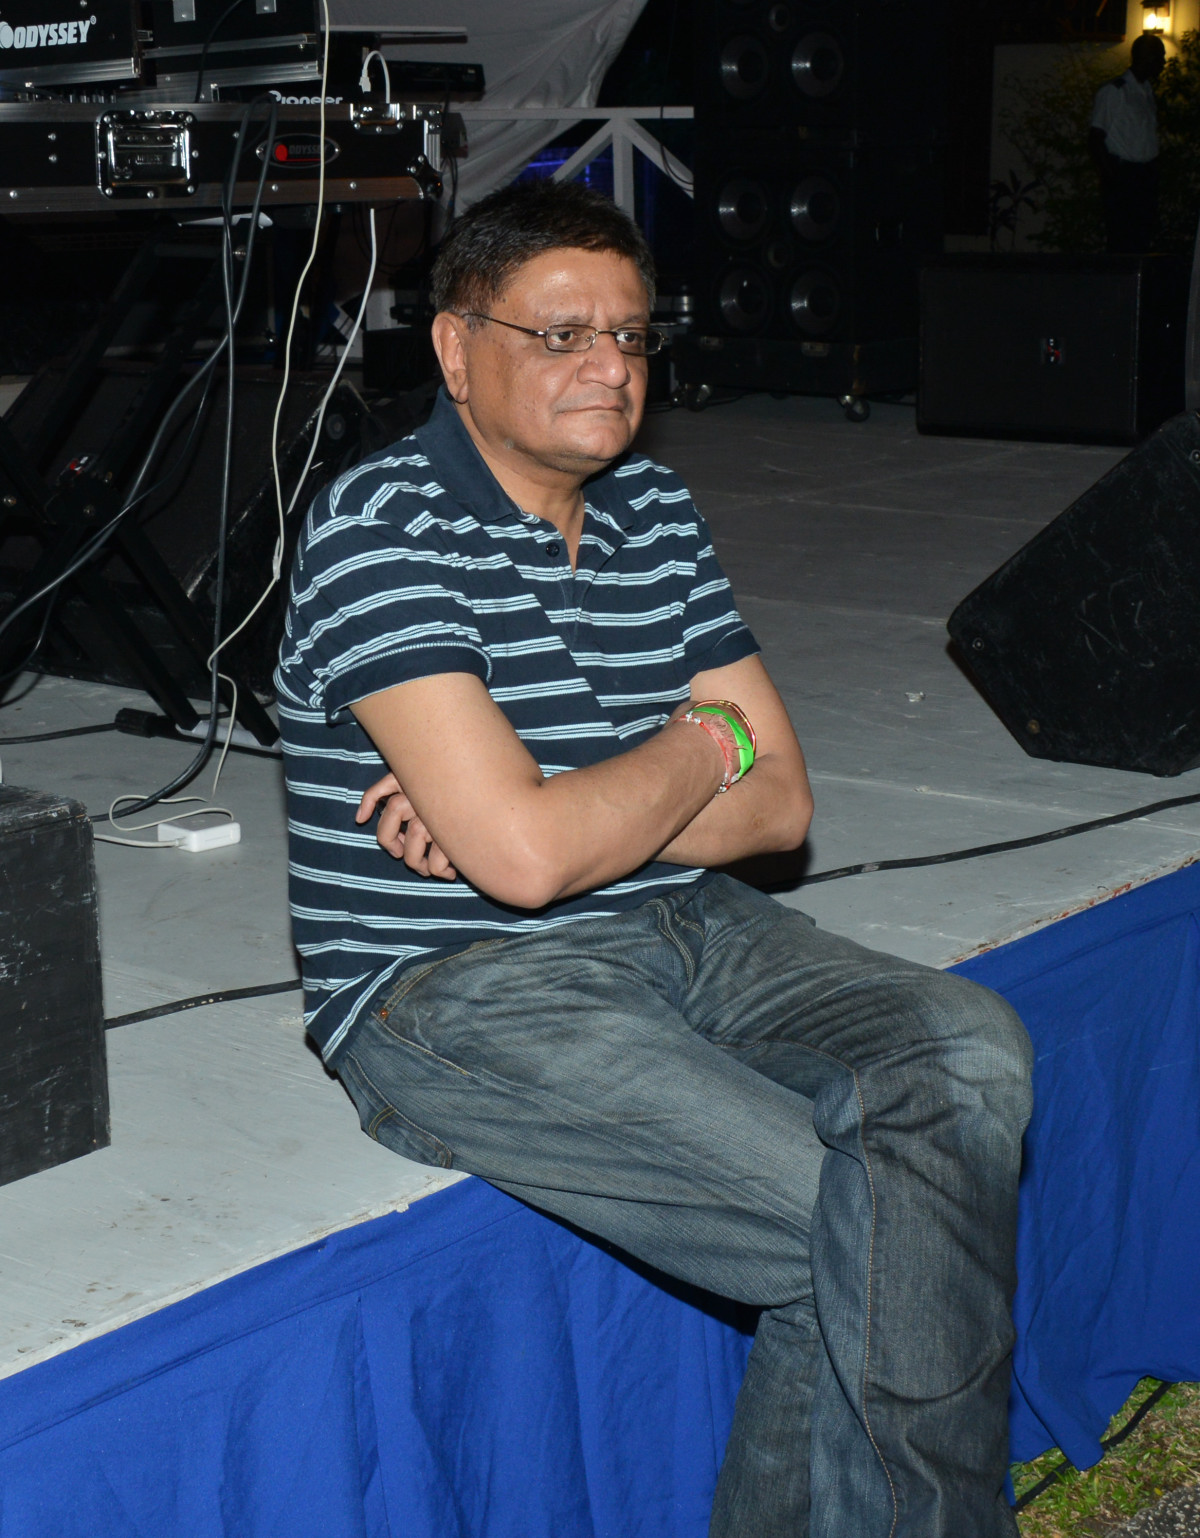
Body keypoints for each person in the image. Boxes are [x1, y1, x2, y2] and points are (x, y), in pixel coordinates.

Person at [274, 178, 1032, 1538]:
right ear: (455, 347)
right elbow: (526, 867)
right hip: (456, 983)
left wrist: (552, 808)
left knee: (968, 1049)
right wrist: (692, 743)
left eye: (630, 335)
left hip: (689, 923)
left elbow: (780, 806)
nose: (610, 366)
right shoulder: (381, 525)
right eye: (561, 334)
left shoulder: (657, 511)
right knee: (845, 1222)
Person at [1090, 32, 1167, 254]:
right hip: (1124, 175)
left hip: (1146, 174)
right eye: (1160, 57)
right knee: (1122, 240)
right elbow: (1095, 138)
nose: (1163, 63)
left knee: (1142, 238)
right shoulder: (1115, 91)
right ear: (1147, 58)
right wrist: (1113, 179)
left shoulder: (1146, 91)